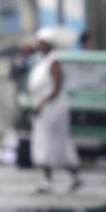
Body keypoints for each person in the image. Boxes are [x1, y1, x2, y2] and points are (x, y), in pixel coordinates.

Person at [27, 41, 79, 181]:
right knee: (48, 142)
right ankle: (72, 176)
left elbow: (56, 88)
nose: (39, 46)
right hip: (44, 109)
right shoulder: (41, 61)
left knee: (50, 143)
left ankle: (48, 180)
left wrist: (42, 103)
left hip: (53, 109)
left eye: (42, 44)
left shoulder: (54, 62)